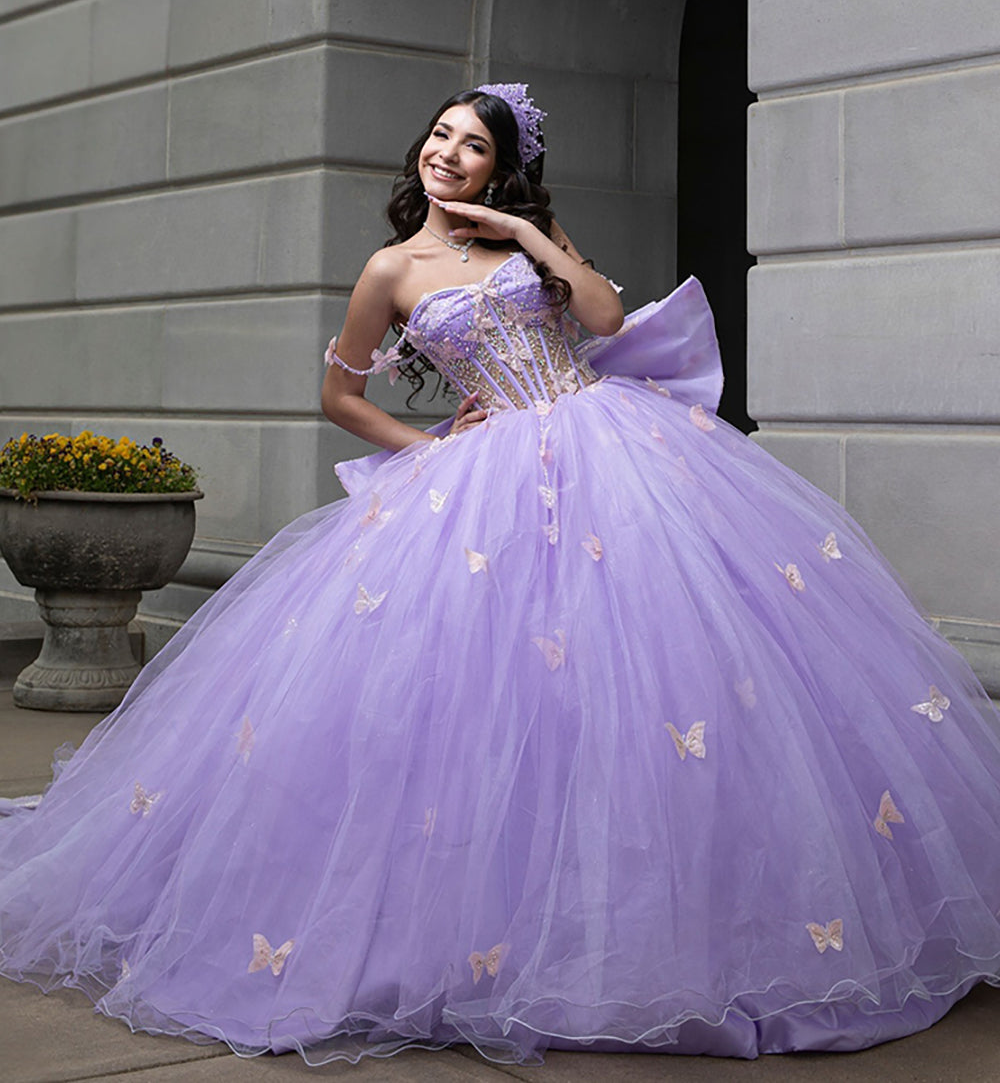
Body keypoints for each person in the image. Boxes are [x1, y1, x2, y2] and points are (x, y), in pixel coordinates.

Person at [1, 82, 1000, 1065]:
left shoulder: (529, 238)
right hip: (481, 484)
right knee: (476, 702)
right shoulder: (390, 268)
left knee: (654, 683)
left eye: (471, 145)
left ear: (498, 167)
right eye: (438, 135)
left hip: (616, 455)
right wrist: (422, 448)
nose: (447, 153)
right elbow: (340, 394)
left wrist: (525, 235)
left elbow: (605, 322)